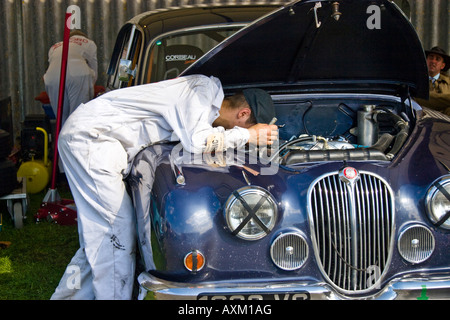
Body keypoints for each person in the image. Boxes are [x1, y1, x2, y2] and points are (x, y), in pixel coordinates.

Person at [50, 74, 278, 300]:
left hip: (94, 138)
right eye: (250, 127)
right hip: (93, 139)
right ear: (243, 114)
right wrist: (248, 135)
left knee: (101, 237)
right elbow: (198, 141)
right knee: (114, 235)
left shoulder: (203, 103)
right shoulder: (200, 90)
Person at [43, 30, 98, 126]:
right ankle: (76, 139)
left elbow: (53, 65)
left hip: (52, 78)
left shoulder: (55, 46)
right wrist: (91, 86)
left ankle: (62, 138)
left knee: (61, 119)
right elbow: (94, 69)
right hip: (78, 73)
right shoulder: (89, 43)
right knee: (78, 116)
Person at [415, 46, 450, 116]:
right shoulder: (416, 80)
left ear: (442, 66)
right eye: (431, 57)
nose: (433, 61)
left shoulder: (448, 82)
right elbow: (417, 99)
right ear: (425, 60)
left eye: (437, 59)